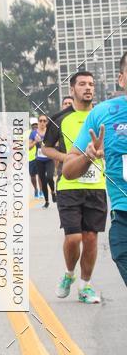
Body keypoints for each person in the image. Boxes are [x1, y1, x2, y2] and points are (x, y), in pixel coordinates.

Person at [63, 52, 127, 287]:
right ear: (121, 79)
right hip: (124, 218)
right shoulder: (102, 116)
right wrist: (88, 156)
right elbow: (68, 170)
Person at [42, 71, 107, 303]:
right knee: (73, 238)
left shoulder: (102, 115)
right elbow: (45, 148)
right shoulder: (59, 118)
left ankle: (85, 286)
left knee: (91, 237)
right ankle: (69, 274)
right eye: (82, 84)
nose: (88, 88)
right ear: (72, 90)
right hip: (69, 184)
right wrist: (69, 158)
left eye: (91, 84)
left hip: (96, 185)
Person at [30, 115, 56, 208]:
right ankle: (46, 201)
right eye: (40, 121)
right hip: (39, 160)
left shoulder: (50, 132)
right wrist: (35, 142)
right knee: (43, 181)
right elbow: (29, 147)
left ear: (47, 122)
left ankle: (53, 191)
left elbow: (55, 144)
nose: (42, 122)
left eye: (44, 121)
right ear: (38, 122)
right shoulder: (33, 133)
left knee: (49, 177)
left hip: (49, 159)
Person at [28, 117, 42, 198]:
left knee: (40, 175)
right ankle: (36, 189)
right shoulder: (27, 134)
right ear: (31, 125)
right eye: (33, 125)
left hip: (39, 157)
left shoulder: (41, 132)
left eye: (36, 124)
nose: (35, 126)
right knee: (32, 176)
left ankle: (41, 191)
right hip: (30, 158)